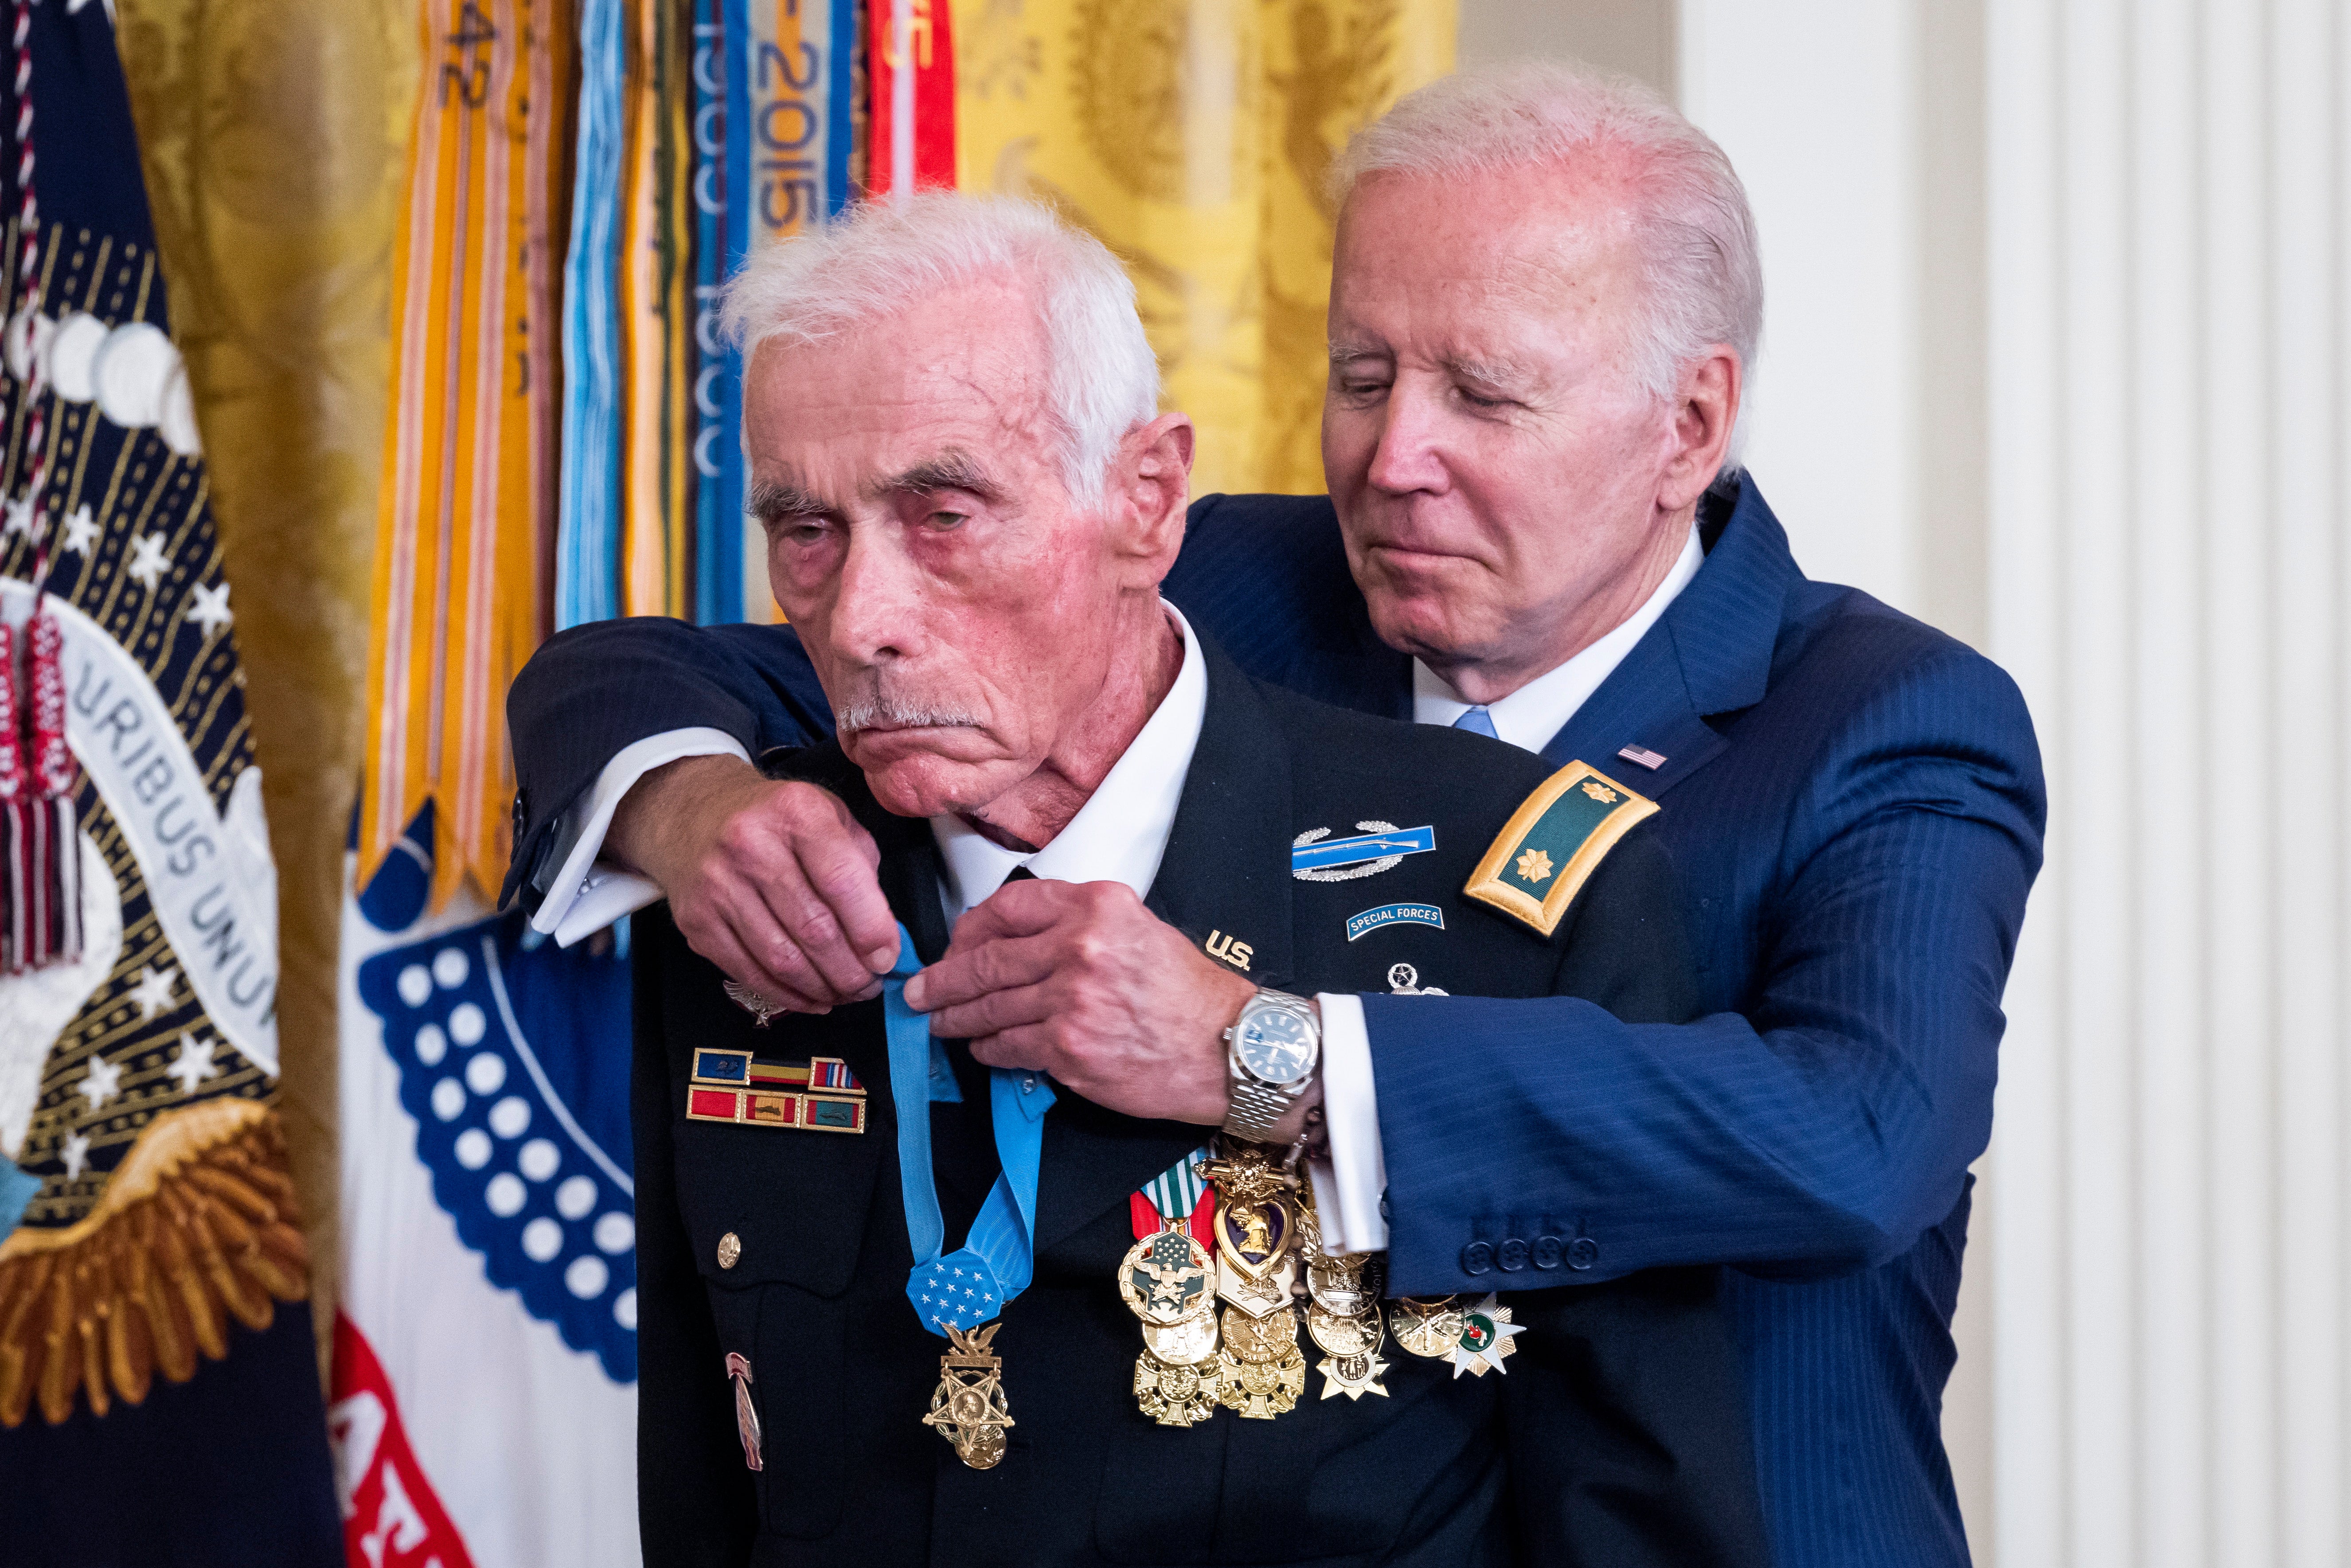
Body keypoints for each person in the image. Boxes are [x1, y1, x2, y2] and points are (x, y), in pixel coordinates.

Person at [509, 64, 2043, 1568]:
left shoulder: (1881, 721)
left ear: (1688, 426)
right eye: (1363, 375)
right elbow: (702, 662)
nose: (1393, 460)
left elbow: (1858, 1144)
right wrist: (688, 799)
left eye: (1484, 395)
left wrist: (1263, 1056)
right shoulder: (1232, 583)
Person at [614, 192, 1765, 1567]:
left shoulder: (1512, 895)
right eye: (806, 531)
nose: (861, 619)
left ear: (1147, 501)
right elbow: (706, 1492)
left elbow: (1641, 1522)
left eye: (946, 512)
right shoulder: (747, 885)